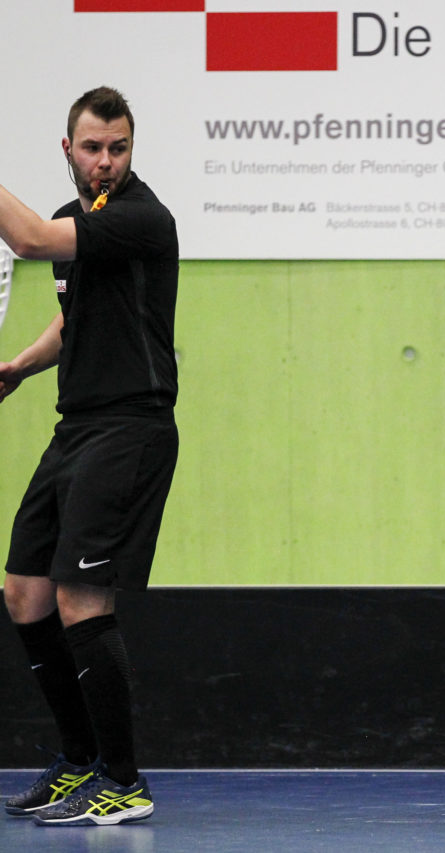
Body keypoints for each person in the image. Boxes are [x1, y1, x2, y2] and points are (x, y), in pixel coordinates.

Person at [0, 86, 178, 827]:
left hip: (131, 427)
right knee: (24, 594)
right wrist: (14, 370)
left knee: (80, 598)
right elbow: (73, 321)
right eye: (94, 148)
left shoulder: (141, 218)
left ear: (130, 151)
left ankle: (126, 780)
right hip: (75, 428)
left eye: (119, 147)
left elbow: (30, 241)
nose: (106, 161)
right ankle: (79, 759)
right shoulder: (82, 221)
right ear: (68, 150)